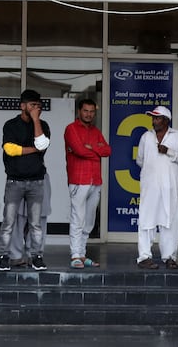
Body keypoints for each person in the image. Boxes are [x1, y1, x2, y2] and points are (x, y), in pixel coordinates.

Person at [0, 89, 50, 272]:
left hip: (36, 181)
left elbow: (42, 146)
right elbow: (10, 149)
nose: (36, 108)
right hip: (14, 181)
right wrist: (33, 149)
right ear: (22, 106)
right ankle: (4, 256)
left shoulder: (43, 125)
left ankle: (36, 257)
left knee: (35, 223)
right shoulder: (10, 125)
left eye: (38, 106)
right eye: (32, 105)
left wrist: (35, 120)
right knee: (9, 222)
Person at [135, 105, 178, 270]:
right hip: (150, 187)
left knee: (169, 222)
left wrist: (169, 152)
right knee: (146, 221)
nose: (154, 121)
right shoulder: (146, 137)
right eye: (153, 118)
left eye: (157, 118)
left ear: (166, 120)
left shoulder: (177, 136)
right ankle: (144, 257)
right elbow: (140, 160)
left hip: (170, 188)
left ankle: (169, 257)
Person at [64, 98, 111, 269]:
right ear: (79, 111)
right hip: (78, 179)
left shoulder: (96, 131)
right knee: (78, 218)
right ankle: (75, 255)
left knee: (89, 221)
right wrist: (94, 150)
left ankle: (82, 254)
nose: (89, 114)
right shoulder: (71, 129)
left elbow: (108, 150)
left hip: (95, 180)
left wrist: (92, 148)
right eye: (86, 111)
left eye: (92, 111)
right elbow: (79, 150)